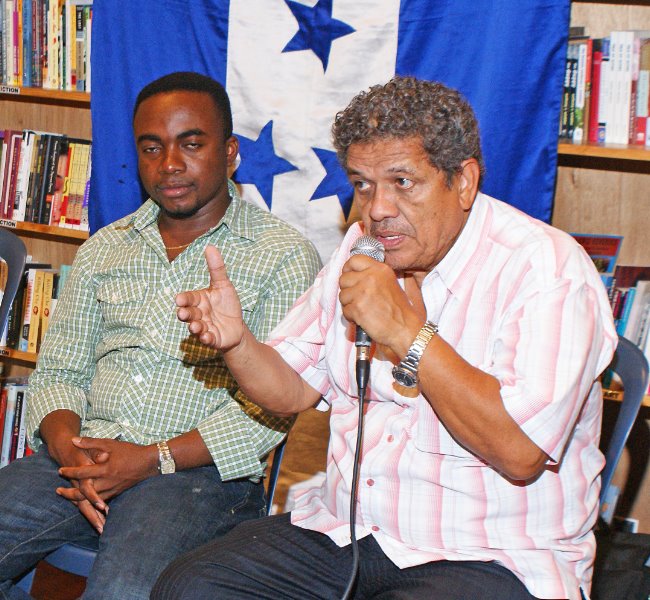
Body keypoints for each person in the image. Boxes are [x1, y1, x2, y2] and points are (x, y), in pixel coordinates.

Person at [152, 76, 617, 600]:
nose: (377, 209)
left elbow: (521, 452)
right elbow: (291, 389)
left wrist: (404, 331)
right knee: (191, 587)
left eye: (402, 182)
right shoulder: (363, 247)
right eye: (364, 184)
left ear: (464, 181)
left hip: (489, 553)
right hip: (350, 531)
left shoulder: (546, 269)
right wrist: (238, 343)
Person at [0, 71, 321, 600]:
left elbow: (268, 409)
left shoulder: (282, 256)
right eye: (151, 148)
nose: (169, 164)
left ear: (230, 153)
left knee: (125, 589)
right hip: (83, 455)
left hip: (197, 477)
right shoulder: (106, 247)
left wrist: (151, 459)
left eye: (191, 144)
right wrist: (73, 455)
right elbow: (60, 371)